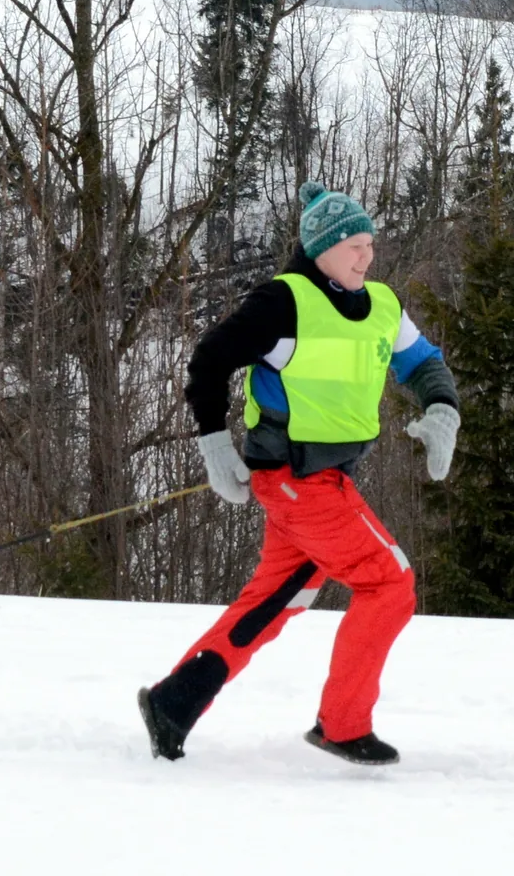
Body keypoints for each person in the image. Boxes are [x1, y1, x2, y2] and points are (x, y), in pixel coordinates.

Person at [137, 182, 459, 765]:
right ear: (322, 249)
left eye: (370, 245)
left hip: (327, 481)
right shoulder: (284, 303)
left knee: (274, 603)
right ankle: (342, 725)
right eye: (355, 246)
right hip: (296, 483)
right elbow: (209, 360)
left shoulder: (382, 305)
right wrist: (214, 443)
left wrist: (442, 410)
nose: (366, 256)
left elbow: (424, 363)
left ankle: (173, 703)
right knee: (390, 583)